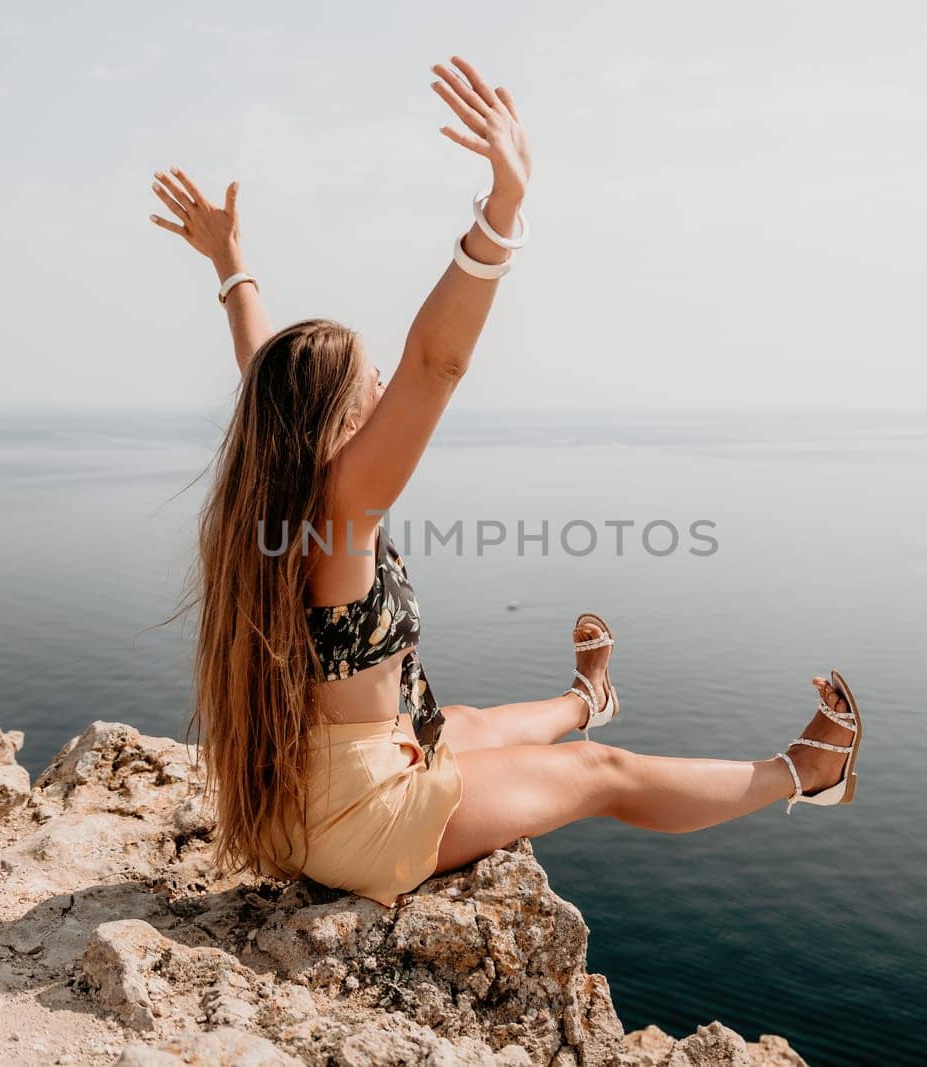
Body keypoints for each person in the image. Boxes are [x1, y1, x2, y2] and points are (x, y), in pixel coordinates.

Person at [151, 56, 864, 910]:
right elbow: (437, 363)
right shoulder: (341, 509)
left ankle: (587, 695)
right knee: (600, 773)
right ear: (340, 423)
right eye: (370, 382)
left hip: (303, 797)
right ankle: (804, 772)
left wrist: (232, 264)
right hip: (358, 820)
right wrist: (502, 212)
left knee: (474, 724)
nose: (385, 391)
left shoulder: (278, 489)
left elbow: (264, 372)